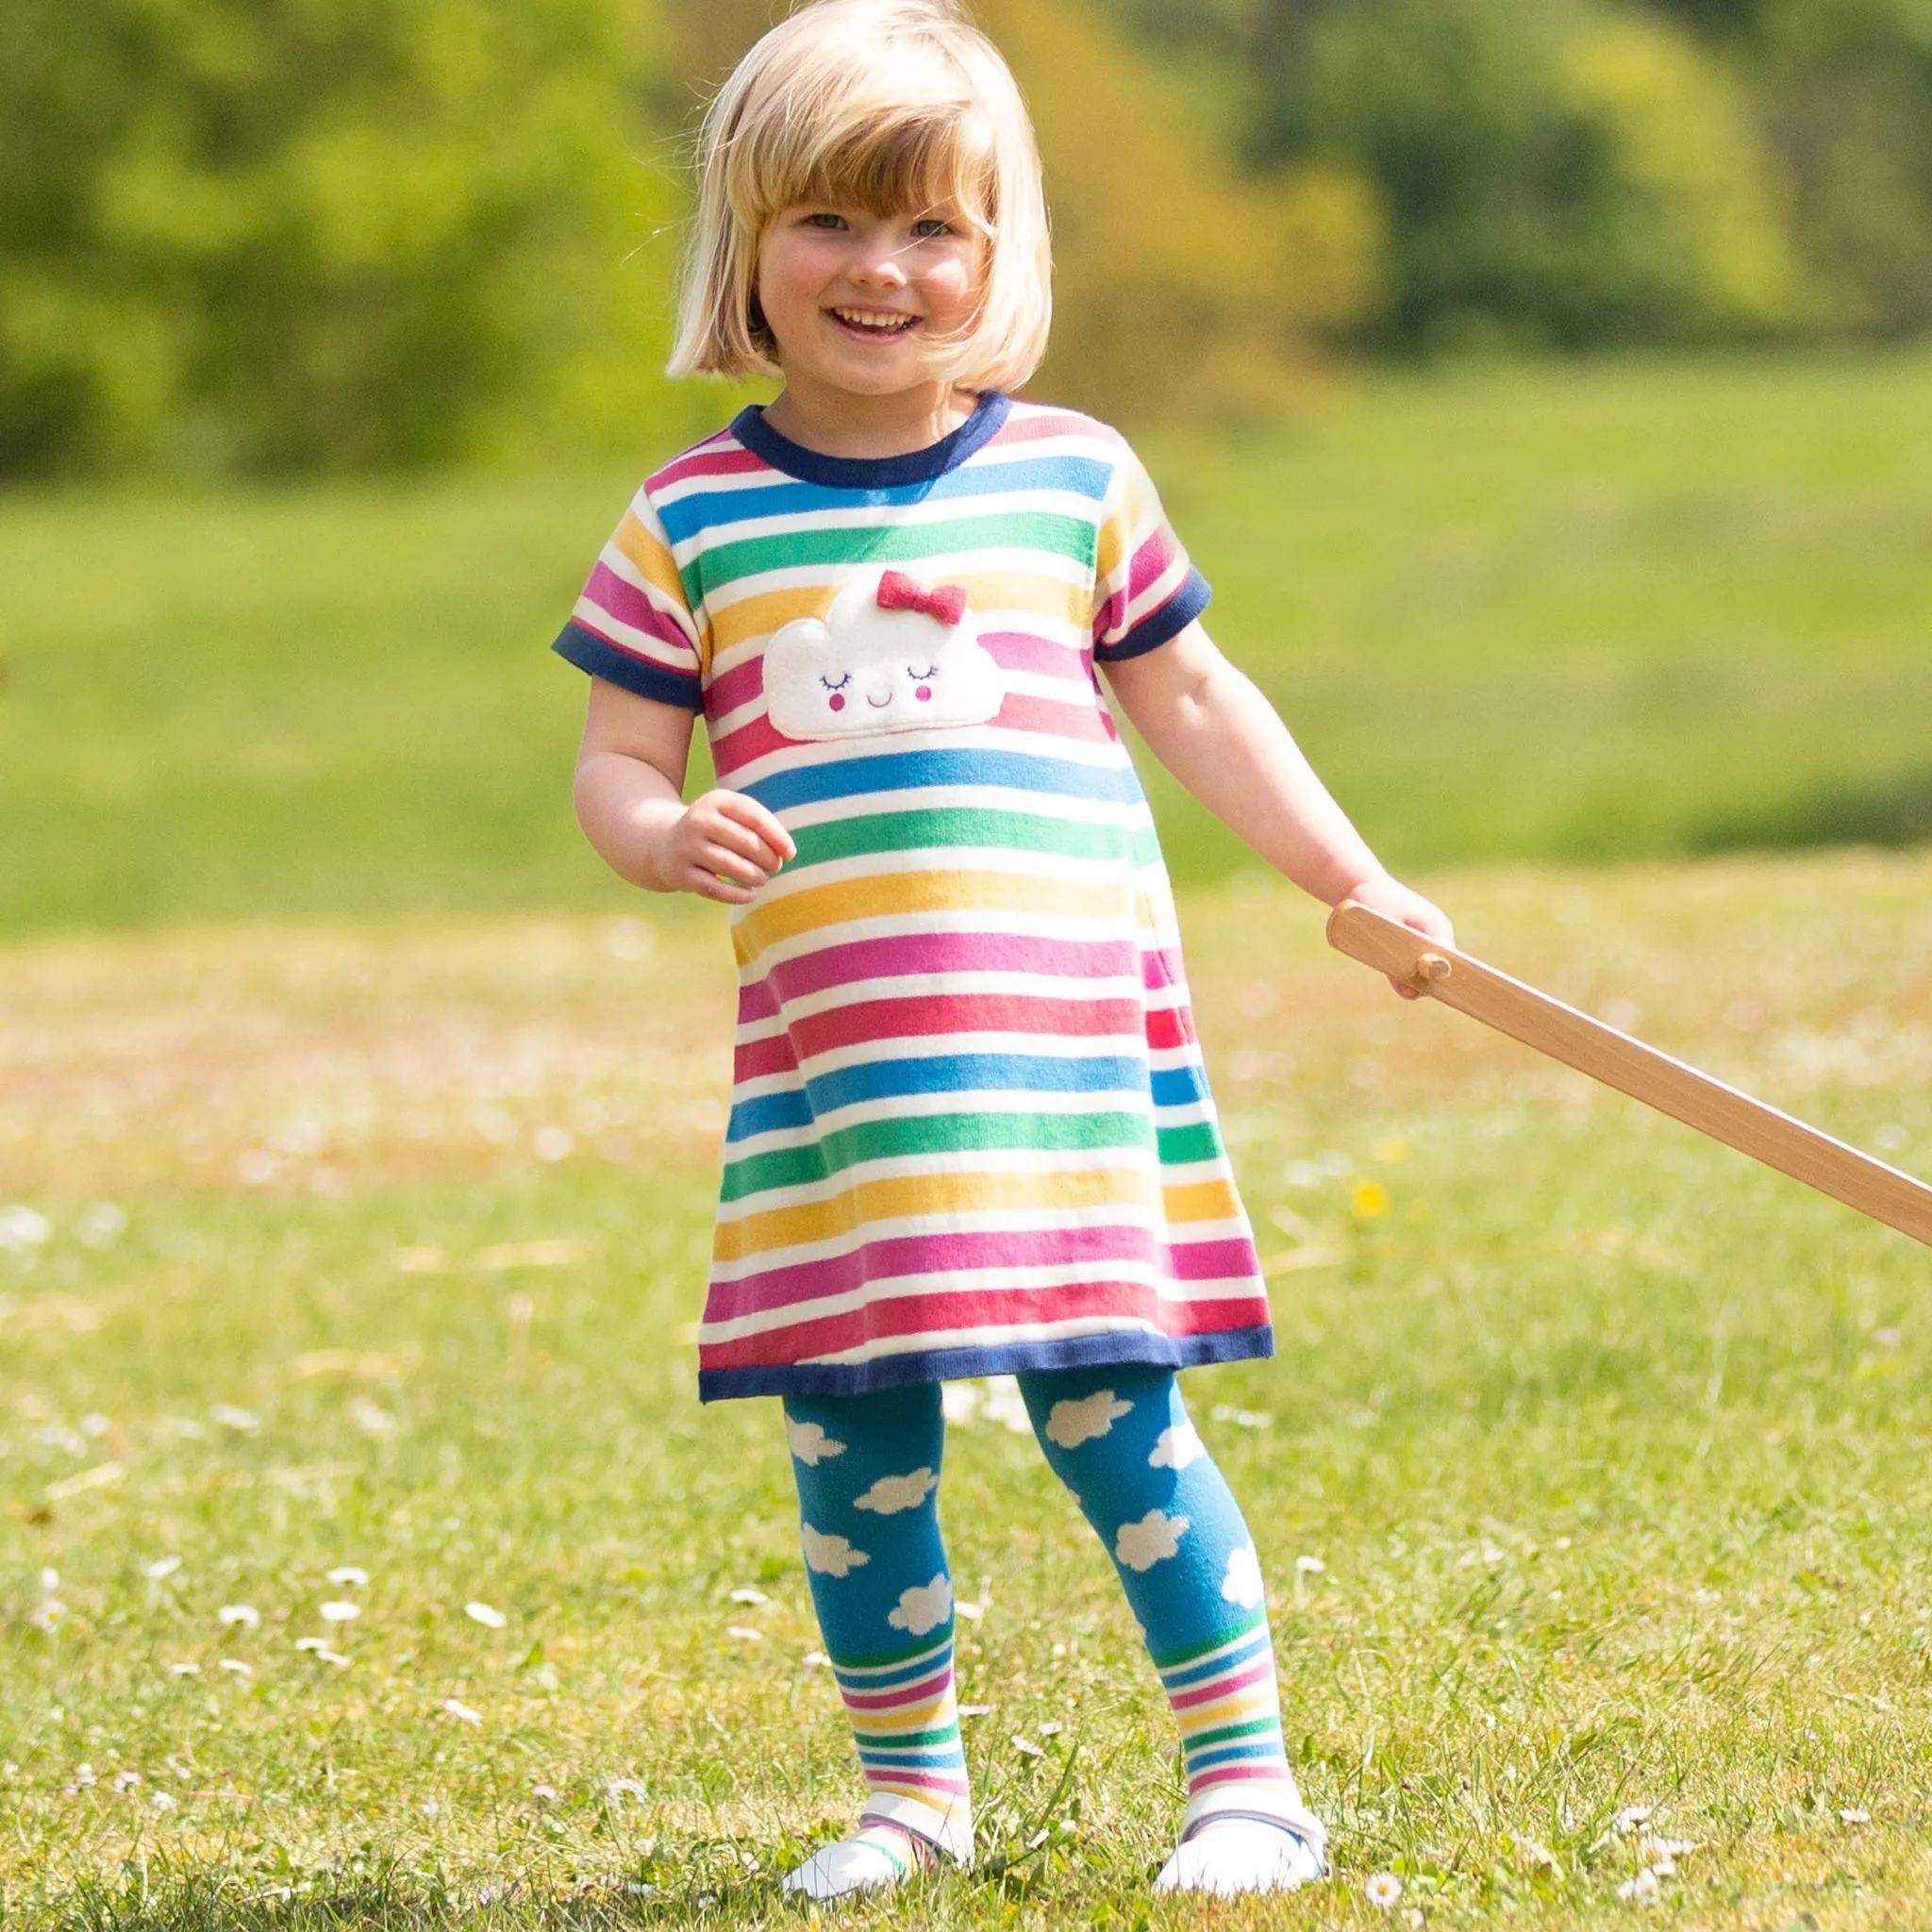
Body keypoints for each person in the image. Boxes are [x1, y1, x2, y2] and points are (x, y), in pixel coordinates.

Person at [554, 0, 1452, 1901]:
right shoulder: (690, 518)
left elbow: (1194, 694)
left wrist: (1346, 875)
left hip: (1056, 1064)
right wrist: (659, 831)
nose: (878, 269)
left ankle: (1244, 1780)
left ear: (995, 251)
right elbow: (620, 752)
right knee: (850, 1431)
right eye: (827, 221)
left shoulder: (1069, 475)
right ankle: (910, 1797)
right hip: (834, 1079)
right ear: (747, 242)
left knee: (1116, 1410)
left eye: (930, 227)